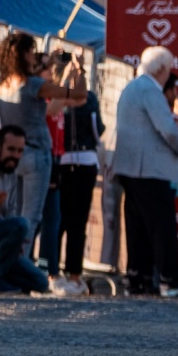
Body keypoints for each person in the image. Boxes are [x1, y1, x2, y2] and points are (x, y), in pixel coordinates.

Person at [0, 33, 76, 286]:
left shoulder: (0, 84)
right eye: (33, 54)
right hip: (37, 153)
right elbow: (68, 99)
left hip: (13, 155)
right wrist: (73, 77)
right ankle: (17, 270)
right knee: (31, 217)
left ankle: (14, 268)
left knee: (23, 215)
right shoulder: (35, 86)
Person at [112, 47, 178, 295]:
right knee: (162, 227)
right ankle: (169, 281)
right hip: (149, 170)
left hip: (131, 168)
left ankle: (137, 279)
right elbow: (167, 129)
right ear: (161, 69)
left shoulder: (132, 87)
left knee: (137, 228)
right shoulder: (150, 90)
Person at [47, 54, 103, 293]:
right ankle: (70, 275)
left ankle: (59, 273)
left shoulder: (55, 95)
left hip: (65, 160)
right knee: (72, 222)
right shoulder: (82, 98)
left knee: (60, 221)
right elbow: (97, 128)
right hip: (79, 160)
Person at [0, 126, 51, 294]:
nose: (15, 156)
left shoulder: (11, 173)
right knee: (21, 224)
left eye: (20, 151)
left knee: (40, 282)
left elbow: (10, 215)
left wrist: (16, 240)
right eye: (11, 150)